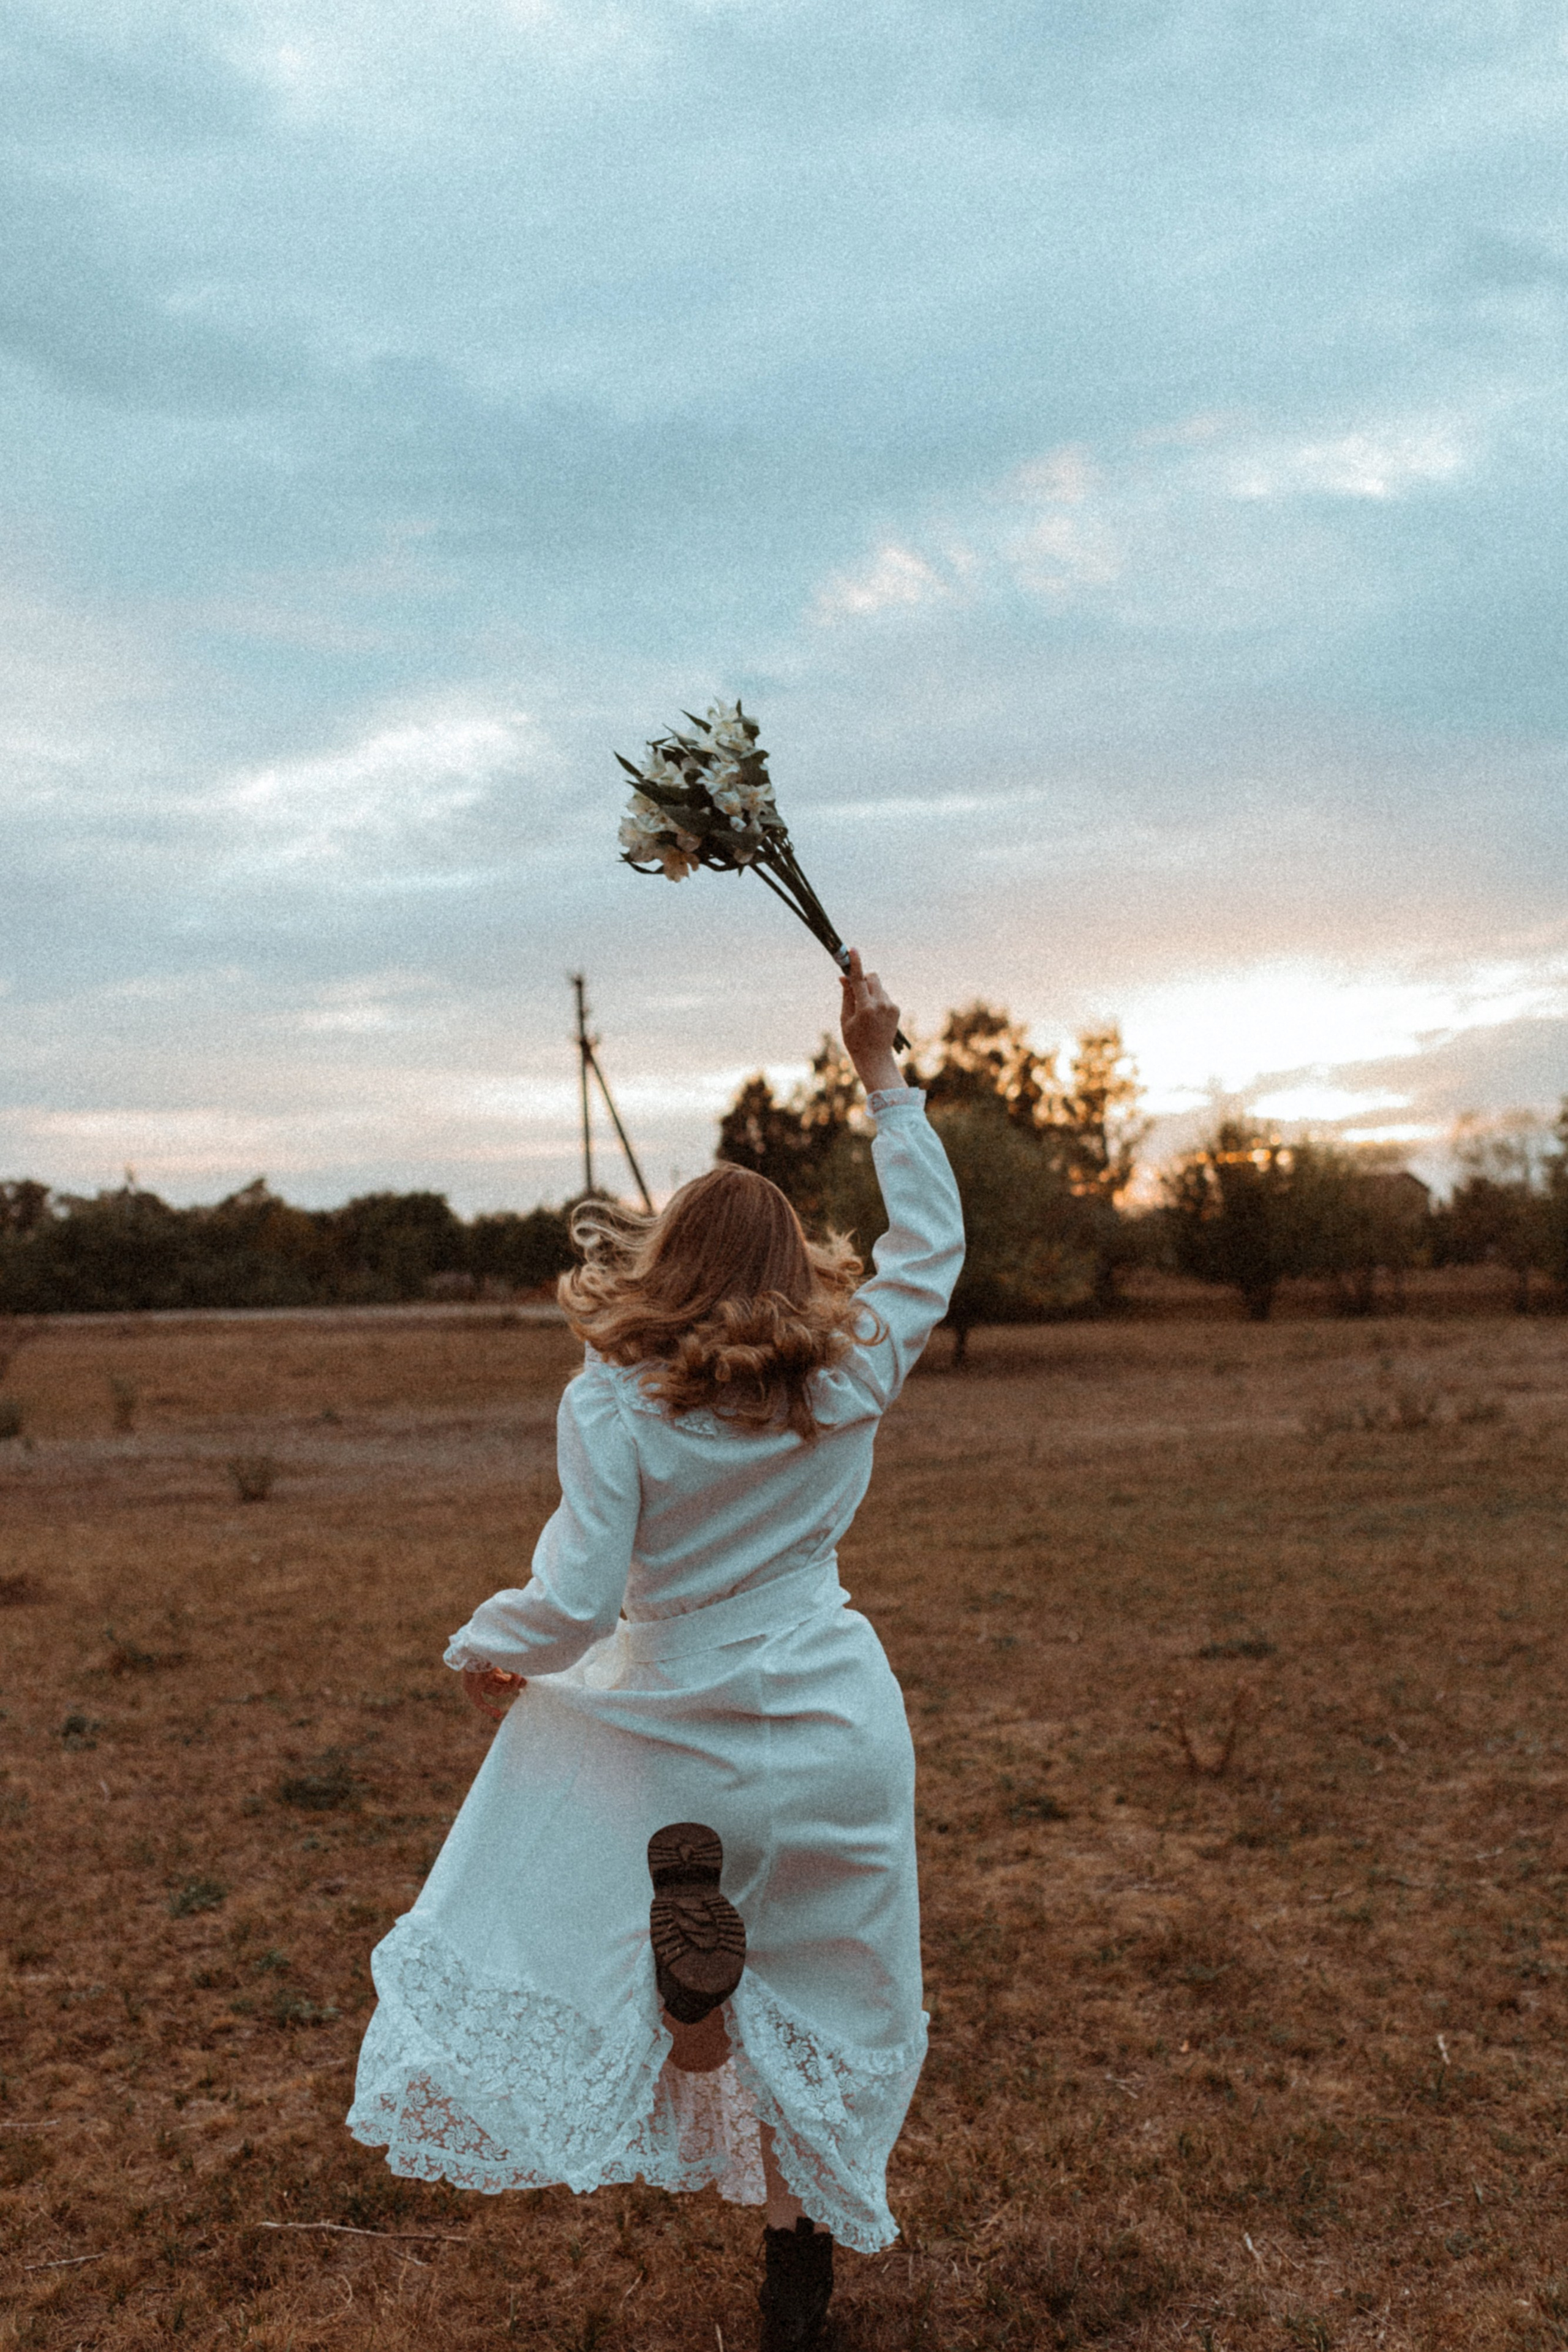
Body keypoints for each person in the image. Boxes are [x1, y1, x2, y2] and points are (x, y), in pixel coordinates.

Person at [348, 952, 965, 2349]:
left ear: (666, 1257)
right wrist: (881, 1070)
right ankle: (797, 2270)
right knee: (839, 1996)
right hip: (834, 1726)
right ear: (793, 1265)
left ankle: (691, 2014)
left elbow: (574, 1604)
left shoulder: (615, 1401)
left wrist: (485, 1647)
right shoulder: (849, 1371)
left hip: (676, 1730)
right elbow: (930, 1245)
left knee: (605, 1890)